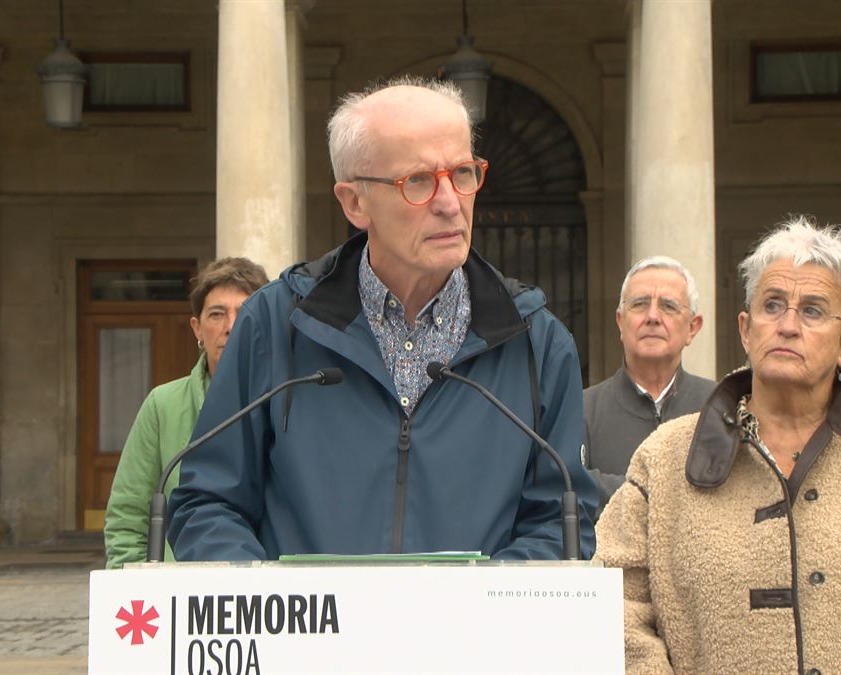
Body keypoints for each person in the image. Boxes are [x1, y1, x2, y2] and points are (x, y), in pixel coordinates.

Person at [167, 77, 595, 561]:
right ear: (354, 202)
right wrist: (280, 612)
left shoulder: (538, 342)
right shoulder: (273, 324)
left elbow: (562, 526)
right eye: (417, 181)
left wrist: (478, 614)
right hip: (309, 633)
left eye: (462, 173)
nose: (450, 202)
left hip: (471, 636)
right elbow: (208, 505)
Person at [596, 216, 841, 673]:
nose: (788, 325)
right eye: (772, 305)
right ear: (745, 328)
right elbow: (615, 605)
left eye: (813, 310)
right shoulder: (664, 460)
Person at [103, 257, 269, 568]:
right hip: (182, 603)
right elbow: (128, 516)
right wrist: (138, 590)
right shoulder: (163, 405)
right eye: (217, 315)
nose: (231, 327)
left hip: (270, 601)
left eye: (245, 313)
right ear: (197, 329)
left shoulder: (288, 398)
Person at [583, 257, 714, 510]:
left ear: (692, 328)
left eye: (668, 306)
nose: (653, 316)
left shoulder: (721, 407)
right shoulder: (581, 409)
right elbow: (570, 489)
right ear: (620, 322)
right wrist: (672, 497)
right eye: (640, 304)